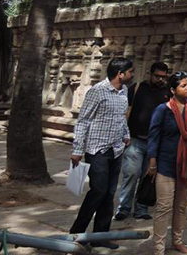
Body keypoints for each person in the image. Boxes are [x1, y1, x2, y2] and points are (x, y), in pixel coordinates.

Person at [70, 57, 135, 250]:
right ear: (120, 74)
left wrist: (126, 134)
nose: (132, 75)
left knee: (109, 193)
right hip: (97, 149)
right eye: (130, 72)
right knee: (98, 191)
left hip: (116, 149)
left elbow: (122, 118)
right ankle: (76, 233)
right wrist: (77, 150)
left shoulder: (124, 91)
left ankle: (100, 235)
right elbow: (83, 121)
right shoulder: (97, 91)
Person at [147, 72, 187, 255]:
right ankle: (159, 247)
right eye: (183, 85)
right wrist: (152, 163)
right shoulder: (163, 109)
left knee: (181, 206)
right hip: (166, 164)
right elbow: (153, 136)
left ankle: (177, 240)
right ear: (173, 90)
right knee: (164, 207)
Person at [115, 61, 170, 221]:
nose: (160, 79)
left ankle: (141, 207)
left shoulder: (167, 93)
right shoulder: (137, 88)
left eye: (163, 77)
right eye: (157, 76)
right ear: (150, 74)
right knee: (131, 173)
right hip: (135, 139)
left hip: (155, 143)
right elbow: (123, 109)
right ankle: (124, 207)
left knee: (148, 176)